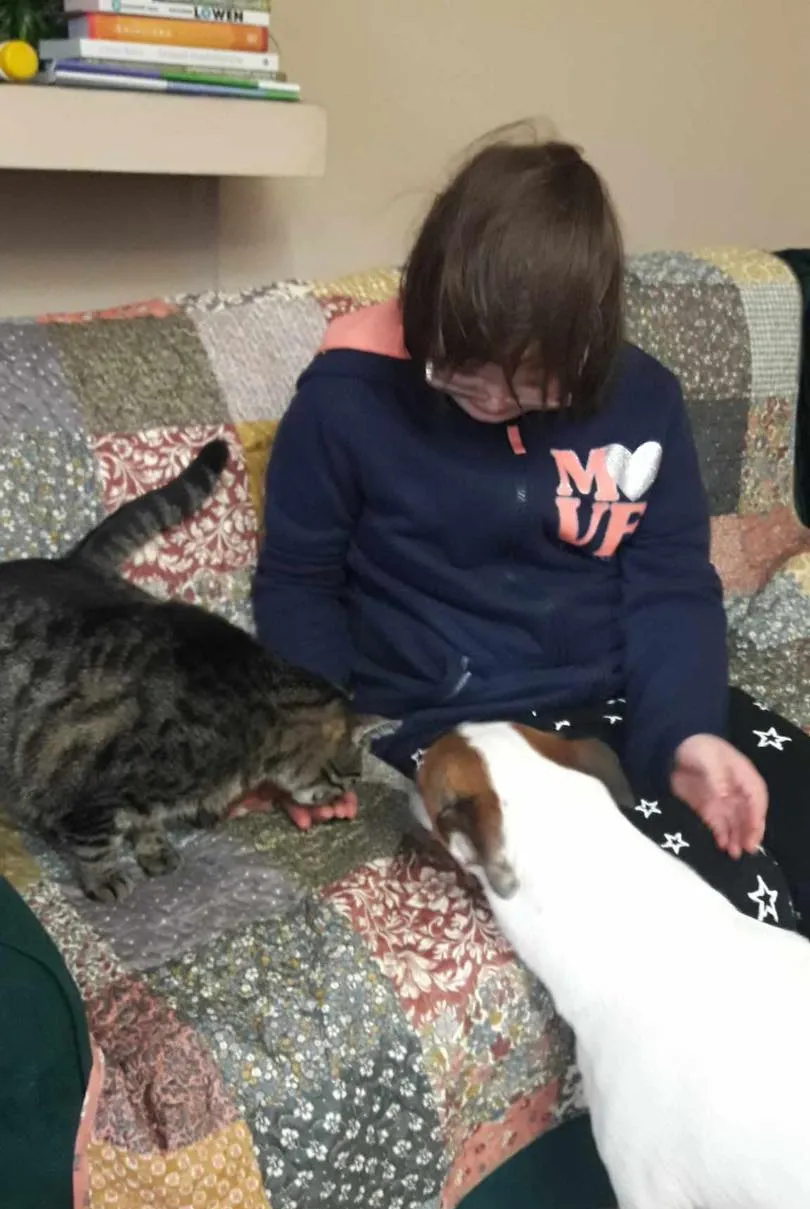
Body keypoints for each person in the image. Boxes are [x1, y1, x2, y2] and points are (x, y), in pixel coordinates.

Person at [253, 137, 810, 940]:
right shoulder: (345, 403)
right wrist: (309, 742)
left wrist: (686, 734)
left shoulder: (644, 400)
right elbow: (299, 579)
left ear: (587, 350)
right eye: (459, 371)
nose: (488, 401)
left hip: (622, 691)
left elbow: (672, 585)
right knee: (718, 907)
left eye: (531, 387)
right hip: (461, 722)